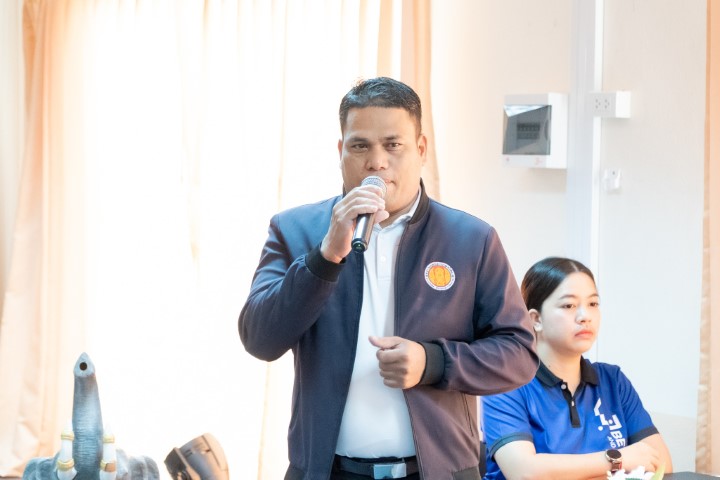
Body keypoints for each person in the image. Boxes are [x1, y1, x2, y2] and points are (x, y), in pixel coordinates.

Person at [239, 77, 538, 480]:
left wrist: (433, 362)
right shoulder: (295, 230)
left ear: (421, 150)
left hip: (438, 472)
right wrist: (325, 256)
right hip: (328, 471)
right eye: (360, 145)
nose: (376, 162)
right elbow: (260, 338)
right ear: (340, 151)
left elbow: (519, 353)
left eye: (393, 144)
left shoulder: (471, 239)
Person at [481, 257, 673, 480]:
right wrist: (617, 459)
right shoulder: (505, 384)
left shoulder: (613, 380)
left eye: (593, 304)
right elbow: (525, 472)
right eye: (569, 305)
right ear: (536, 319)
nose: (585, 317)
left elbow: (662, 463)